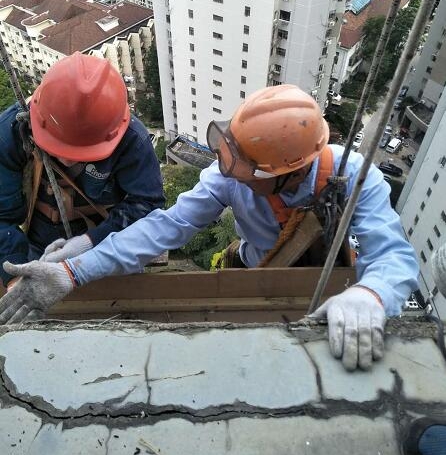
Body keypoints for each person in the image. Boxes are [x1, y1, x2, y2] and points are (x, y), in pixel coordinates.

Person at [0, 84, 419, 372]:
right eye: (228, 149)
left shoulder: (353, 177)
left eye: (241, 163)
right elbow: (166, 227)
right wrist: (75, 270)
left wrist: (371, 294)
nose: (227, 168)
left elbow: (393, 256)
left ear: (287, 174)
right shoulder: (230, 176)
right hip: (255, 268)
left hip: (323, 276)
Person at [0, 52, 164, 288]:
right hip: (38, 245)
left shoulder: (130, 141)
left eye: (81, 152)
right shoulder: (14, 132)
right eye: (59, 147)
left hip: (108, 246)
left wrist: (90, 242)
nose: (67, 160)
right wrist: (15, 273)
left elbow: (146, 204)